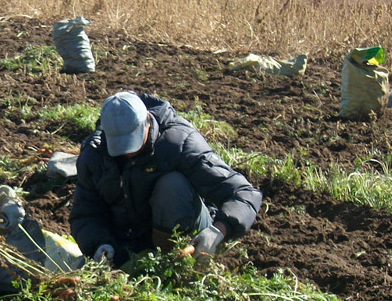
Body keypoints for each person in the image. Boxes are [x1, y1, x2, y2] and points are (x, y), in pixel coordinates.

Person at [70, 91, 262, 268]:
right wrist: (100, 243)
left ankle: (173, 263)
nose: (128, 152)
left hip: (187, 234)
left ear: (147, 121)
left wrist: (218, 231)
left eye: (133, 139)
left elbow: (244, 193)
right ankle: (139, 262)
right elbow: (85, 212)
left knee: (172, 184)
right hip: (130, 242)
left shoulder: (179, 143)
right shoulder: (95, 154)